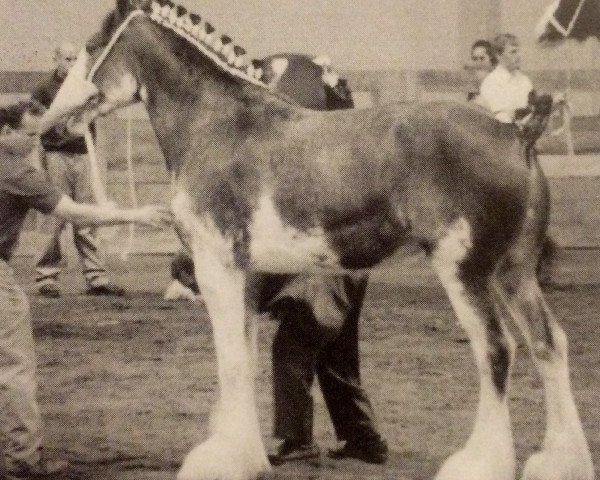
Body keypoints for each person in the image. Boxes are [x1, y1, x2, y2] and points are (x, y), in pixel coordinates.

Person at [168, 63, 388, 465]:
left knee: (294, 347)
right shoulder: (335, 153)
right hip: (350, 265)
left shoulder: (298, 158)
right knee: (336, 355)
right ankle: (364, 441)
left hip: (328, 269)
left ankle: (298, 440)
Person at [0, 99, 171, 480]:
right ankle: (22, 461)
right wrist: (134, 214)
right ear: (7, 132)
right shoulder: (16, 172)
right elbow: (75, 214)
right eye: (29, 136)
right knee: (14, 369)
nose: (35, 143)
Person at [31, 41, 124, 298]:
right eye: (67, 59)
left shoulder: (85, 86)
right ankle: (46, 277)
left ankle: (97, 277)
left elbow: (102, 109)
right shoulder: (43, 89)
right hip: (56, 155)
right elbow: (35, 125)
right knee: (54, 215)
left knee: (88, 215)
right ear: (56, 59)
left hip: (83, 155)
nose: (72, 64)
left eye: (75, 59)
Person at [477, 33, 534, 123]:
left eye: (519, 51)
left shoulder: (525, 81)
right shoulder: (491, 83)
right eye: (513, 52)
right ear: (499, 56)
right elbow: (501, 118)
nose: (519, 56)